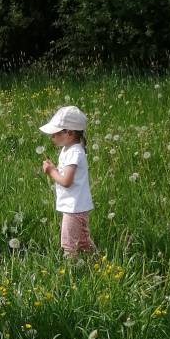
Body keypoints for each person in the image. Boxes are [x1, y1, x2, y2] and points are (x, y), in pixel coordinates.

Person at [40, 105, 97, 258]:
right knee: (83, 242)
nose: (52, 137)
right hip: (77, 205)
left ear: (70, 133)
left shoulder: (74, 152)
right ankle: (97, 262)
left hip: (74, 208)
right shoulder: (70, 149)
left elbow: (66, 181)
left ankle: (70, 269)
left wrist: (51, 171)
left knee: (69, 244)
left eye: (55, 133)